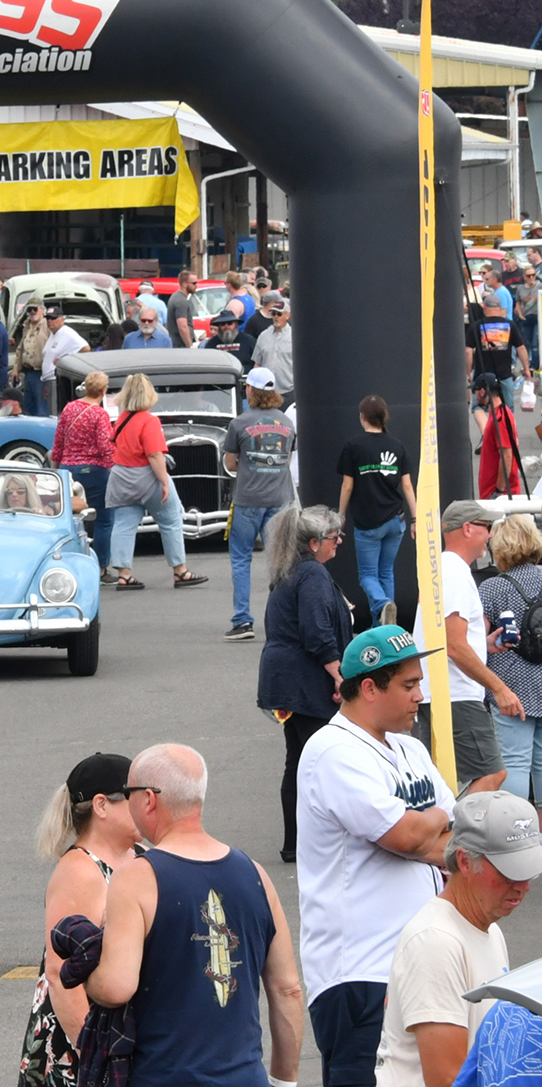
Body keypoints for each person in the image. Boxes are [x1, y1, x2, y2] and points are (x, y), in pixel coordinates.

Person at [87, 744, 305, 1087]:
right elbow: (288, 989)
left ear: (148, 799)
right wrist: (284, 1080)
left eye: (128, 793)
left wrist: (86, 972)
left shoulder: (136, 878)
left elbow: (116, 987)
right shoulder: (256, 875)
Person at [298, 623, 459, 1084]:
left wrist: (425, 825)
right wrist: (428, 822)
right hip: (361, 975)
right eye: (409, 685)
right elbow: (409, 836)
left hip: (419, 963)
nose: (419, 695)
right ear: (369, 687)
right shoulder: (331, 750)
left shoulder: (410, 747)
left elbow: (457, 835)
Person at [375, 790, 537, 1087]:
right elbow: (448, 1079)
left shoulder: (487, 928)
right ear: (464, 861)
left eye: (529, 872)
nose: (523, 887)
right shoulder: (435, 942)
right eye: (510, 873)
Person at [20, 753, 140, 1087]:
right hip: (80, 1049)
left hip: (124, 1039)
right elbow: (61, 976)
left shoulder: (141, 858)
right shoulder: (81, 872)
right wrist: (95, 1061)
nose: (149, 805)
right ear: (102, 805)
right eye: (137, 796)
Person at [257, 506, 352, 861]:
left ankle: (295, 843)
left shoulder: (291, 569)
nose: (339, 542)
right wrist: (340, 676)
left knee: (299, 761)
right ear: (313, 543)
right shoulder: (311, 574)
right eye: (333, 537)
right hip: (303, 681)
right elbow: (317, 632)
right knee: (325, 759)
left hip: (284, 681)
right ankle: (317, 841)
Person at [419, 500, 518, 794]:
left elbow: (447, 639)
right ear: (467, 529)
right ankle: (453, 837)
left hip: (443, 692)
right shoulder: (455, 573)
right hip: (456, 694)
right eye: (486, 527)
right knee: (492, 775)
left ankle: (449, 834)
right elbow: (453, 645)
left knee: (445, 784)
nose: (490, 535)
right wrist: (499, 688)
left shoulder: (444, 569)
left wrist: (482, 644)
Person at [104, 373, 206, 591]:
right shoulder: (149, 421)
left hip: (121, 477)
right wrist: (165, 482)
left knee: (123, 525)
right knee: (170, 521)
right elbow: (154, 455)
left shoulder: (121, 418)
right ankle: (180, 571)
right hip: (146, 477)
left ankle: (124, 574)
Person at [223, 365, 298, 639]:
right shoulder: (287, 423)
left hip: (247, 500)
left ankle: (242, 619)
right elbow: (287, 459)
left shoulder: (240, 423)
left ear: (250, 390)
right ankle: (283, 619)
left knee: (241, 558)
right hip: (279, 499)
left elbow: (230, 462)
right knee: (280, 561)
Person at [339, 395, 418, 626]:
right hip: (396, 520)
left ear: (362, 417)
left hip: (368, 522)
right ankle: (385, 627)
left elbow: (347, 485)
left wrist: (341, 515)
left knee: (367, 576)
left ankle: (383, 605)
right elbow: (407, 486)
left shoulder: (354, 446)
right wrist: (415, 518)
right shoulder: (397, 446)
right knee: (386, 573)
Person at [481, 514, 542, 801]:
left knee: (515, 763)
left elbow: (476, 645)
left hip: (510, 688)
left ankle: (519, 832)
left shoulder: (491, 588)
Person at [52, 370, 115, 532]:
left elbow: (58, 441)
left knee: (70, 516)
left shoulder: (69, 408)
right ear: (104, 391)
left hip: (68, 469)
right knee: (104, 520)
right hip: (94, 470)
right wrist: (113, 470)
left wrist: (55, 470)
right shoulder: (100, 414)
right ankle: (102, 558)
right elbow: (105, 447)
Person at [254, 299, 295, 403]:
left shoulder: (294, 336)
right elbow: (257, 364)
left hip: (289, 391)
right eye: (273, 313)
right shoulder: (263, 336)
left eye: (279, 314)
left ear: (287, 316)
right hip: (267, 391)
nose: (276, 317)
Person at [14, 300, 50, 416]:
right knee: (28, 407)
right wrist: (15, 369)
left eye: (35, 309)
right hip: (28, 372)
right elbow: (20, 349)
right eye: (29, 309)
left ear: (42, 310)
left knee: (42, 407)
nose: (32, 312)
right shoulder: (27, 326)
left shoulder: (48, 325)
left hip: (41, 373)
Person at [40, 305, 89, 388]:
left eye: (53, 318)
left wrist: (66, 360)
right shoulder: (53, 334)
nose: (49, 321)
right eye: (47, 318)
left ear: (62, 319)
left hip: (58, 380)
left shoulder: (67, 332)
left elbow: (86, 348)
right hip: (48, 380)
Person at [168, 270, 202, 348]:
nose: (196, 286)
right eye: (194, 283)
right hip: (180, 346)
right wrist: (189, 346)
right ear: (184, 284)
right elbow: (182, 326)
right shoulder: (181, 301)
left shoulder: (176, 297)